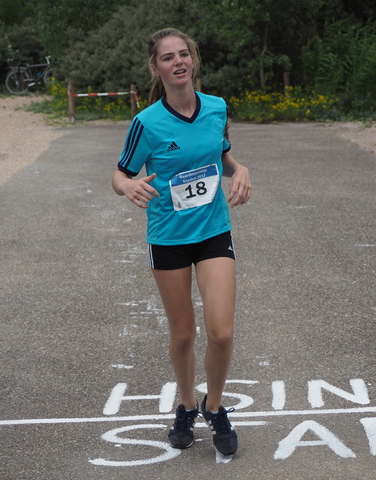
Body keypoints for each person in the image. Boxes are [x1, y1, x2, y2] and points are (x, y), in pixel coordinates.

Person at [111, 27, 252, 456]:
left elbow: (222, 157)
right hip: (168, 239)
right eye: (168, 57)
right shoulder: (146, 122)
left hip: (213, 231)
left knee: (222, 332)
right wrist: (127, 186)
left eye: (183, 54)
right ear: (156, 68)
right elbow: (119, 172)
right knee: (185, 334)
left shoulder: (216, 108)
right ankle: (187, 405)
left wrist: (240, 169)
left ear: (193, 60)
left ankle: (214, 406)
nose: (178, 62)